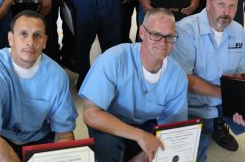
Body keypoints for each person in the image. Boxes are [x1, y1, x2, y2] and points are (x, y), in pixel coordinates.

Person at [79, 8, 188, 162]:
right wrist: (140, 136)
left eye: (169, 36)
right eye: (156, 35)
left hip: (147, 125)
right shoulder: (114, 59)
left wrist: (142, 156)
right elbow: (90, 114)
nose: (163, 43)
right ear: (142, 32)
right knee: (107, 147)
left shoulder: (177, 76)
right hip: (110, 122)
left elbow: (172, 130)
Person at [0, 11, 77, 160]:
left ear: (45, 41)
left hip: (38, 138)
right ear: (11, 38)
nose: (30, 42)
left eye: (37, 35)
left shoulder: (57, 75)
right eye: (23, 34)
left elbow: (63, 132)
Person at [172, 0, 245, 159]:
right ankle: (206, 125)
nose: (227, 12)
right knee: (194, 152)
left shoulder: (238, 31)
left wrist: (242, 103)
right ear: (208, 4)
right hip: (192, 103)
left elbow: (238, 73)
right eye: (221, 4)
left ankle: (219, 122)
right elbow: (185, 79)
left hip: (222, 98)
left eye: (232, 6)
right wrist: (226, 95)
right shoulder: (185, 29)